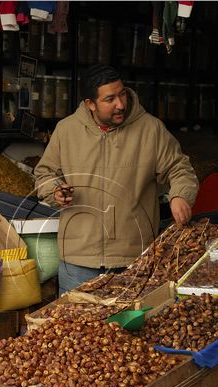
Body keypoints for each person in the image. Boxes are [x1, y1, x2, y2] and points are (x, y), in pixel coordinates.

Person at [34, 65, 199, 295]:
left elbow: (180, 168)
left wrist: (180, 195)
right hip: (78, 261)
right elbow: (44, 173)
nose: (120, 104)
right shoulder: (66, 130)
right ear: (90, 103)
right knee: (76, 328)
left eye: (122, 94)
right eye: (109, 99)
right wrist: (55, 190)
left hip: (134, 259)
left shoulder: (150, 129)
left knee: (132, 328)